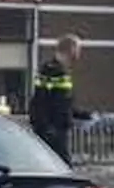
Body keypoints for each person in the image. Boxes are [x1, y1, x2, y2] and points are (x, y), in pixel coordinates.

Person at [28, 34, 91, 164]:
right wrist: (47, 128)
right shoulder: (51, 71)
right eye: (78, 49)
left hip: (58, 130)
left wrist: (85, 115)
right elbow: (40, 100)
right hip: (53, 132)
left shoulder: (61, 71)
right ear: (71, 49)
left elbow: (62, 103)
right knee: (62, 167)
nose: (79, 53)